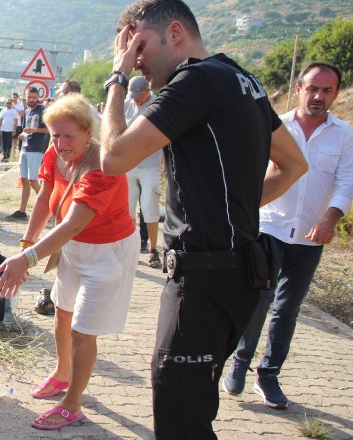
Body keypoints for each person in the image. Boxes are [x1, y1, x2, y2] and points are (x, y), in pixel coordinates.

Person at [100, 0, 308, 437]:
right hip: (237, 275)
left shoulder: (193, 82)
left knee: (180, 420)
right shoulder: (241, 79)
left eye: (139, 49)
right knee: (192, 411)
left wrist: (116, 79)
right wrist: (239, 209)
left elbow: (114, 158)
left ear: (174, 34)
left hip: (205, 280)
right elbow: (293, 165)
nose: (138, 65)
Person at [0, 95, 139, 431]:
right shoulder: (55, 152)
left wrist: (26, 259)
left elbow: (74, 222)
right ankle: (62, 375)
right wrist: (27, 244)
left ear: (88, 133)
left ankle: (72, 404)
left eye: (69, 136)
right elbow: (45, 198)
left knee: (82, 332)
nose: (60, 144)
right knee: (61, 311)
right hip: (73, 248)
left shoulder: (104, 167)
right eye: (55, 135)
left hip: (108, 254)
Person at [223, 62, 353, 409]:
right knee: (259, 300)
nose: (318, 97)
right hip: (270, 227)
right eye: (312, 89)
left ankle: (269, 375)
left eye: (327, 91)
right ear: (299, 89)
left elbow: (345, 181)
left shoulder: (344, 134)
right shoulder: (273, 125)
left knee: (287, 309)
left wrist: (330, 218)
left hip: (311, 237)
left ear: (336, 94)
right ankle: (239, 363)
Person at [123, 76, 162, 268]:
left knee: (149, 207)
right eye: (133, 95)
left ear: (148, 91)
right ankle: (130, 249)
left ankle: (154, 250)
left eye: (139, 95)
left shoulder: (159, 105)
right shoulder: (127, 104)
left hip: (150, 163)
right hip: (130, 163)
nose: (135, 99)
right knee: (128, 208)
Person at [6, 86, 48, 221]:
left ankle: (49, 208)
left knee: (33, 180)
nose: (31, 100)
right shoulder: (26, 111)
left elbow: (48, 129)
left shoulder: (42, 110)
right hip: (25, 148)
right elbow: (25, 130)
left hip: (36, 149)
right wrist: (22, 135)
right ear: (25, 97)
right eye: (29, 97)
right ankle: (22, 211)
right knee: (24, 181)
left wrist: (34, 130)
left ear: (38, 98)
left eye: (34, 97)